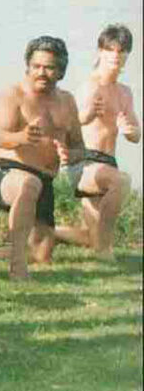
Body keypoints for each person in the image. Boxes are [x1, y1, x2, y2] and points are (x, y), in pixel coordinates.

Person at [0, 36, 88, 279]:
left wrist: (69, 154)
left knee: (41, 255)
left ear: (61, 70)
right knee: (28, 183)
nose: (41, 73)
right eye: (36, 66)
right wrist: (22, 136)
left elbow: (80, 147)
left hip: (45, 180)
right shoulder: (12, 94)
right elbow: (1, 138)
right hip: (8, 174)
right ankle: (17, 266)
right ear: (28, 67)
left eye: (49, 67)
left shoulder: (67, 101)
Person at [55, 23, 138, 259]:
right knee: (122, 181)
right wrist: (88, 114)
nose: (116, 55)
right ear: (100, 51)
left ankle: (44, 231)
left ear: (127, 55)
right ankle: (104, 252)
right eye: (110, 49)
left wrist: (128, 130)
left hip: (107, 165)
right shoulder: (89, 86)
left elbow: (136, 135)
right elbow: (68, 125)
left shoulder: (125, 92)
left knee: (92, 236)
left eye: (121, 51)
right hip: (85, 164)